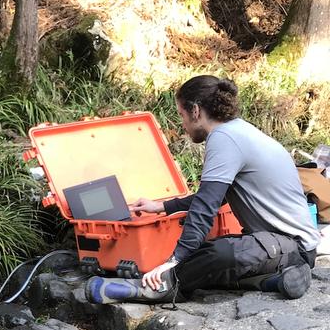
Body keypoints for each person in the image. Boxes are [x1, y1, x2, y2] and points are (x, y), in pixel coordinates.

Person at [86, 75, 320, 304]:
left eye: (182, 115)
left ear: (196, 111)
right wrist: (162, 206)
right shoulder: (237, 131)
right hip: (275, 244)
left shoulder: (224, 139)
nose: (183, 125)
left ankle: (159, 288)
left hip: (293, 246)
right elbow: (212, 198)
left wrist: (174, 260)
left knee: (218, 255)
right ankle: (273, 280)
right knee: (211, 256)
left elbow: (205, 209)